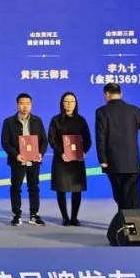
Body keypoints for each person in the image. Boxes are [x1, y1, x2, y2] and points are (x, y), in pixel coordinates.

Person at [95, 82, 140, 211]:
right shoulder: (134, 110)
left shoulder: (101, 111)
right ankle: (135, 220)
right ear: (121, 94)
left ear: (106, 94)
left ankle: (124, 220)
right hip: (132, 162)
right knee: (133, 195)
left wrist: (102, 159)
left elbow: (100, 136)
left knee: (120, 196)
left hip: (113, 162)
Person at [1, 93, 48, 226]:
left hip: (34, 161)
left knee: (34, 187)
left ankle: (34, 215)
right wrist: (16, 155)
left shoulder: (37, 120)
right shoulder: (9, 122)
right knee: (16, 187)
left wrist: (41, 153)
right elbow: (5, 142)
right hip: (18, 160)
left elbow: (44, 140)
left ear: (31, 105)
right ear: (17, 105)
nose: (25, 106)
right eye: (22, 103)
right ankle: (16, 215)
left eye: (28, 104)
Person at [48, 92, 92, 226]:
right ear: (62, 103)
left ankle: (74, 217)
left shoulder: (81, 120)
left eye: (72, 101)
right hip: (61, 159)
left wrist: (83, 152)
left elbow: (88, 140)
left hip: (77, 160)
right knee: (61, 188)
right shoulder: (56, 120)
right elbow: (51, 139)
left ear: (76, 103)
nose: (69, 104)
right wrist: (61, 153)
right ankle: (65, 217)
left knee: (76, 189)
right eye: (66, 101)